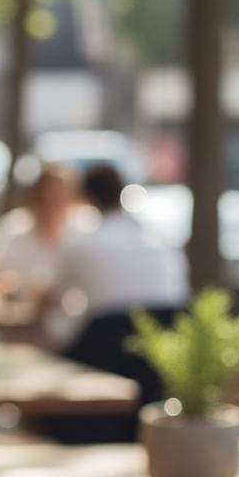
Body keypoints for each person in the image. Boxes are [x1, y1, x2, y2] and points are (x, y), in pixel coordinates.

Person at [37, 163, 191, 441]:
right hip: (165, 345)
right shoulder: (159, 237)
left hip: (109, 345)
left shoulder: (84, 242)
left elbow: (49, 299)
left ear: (86, 198)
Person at [0, 164, 83, 310]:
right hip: (18, 318)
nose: (51, 205)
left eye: (58, 198)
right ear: (36, 198)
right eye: (46, 198)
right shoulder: (15, 226)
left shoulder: (84, 231)